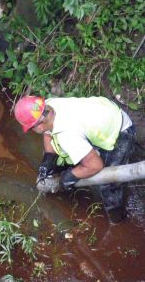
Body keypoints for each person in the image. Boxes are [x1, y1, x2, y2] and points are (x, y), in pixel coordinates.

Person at [14, 95, 136, 223]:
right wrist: (47, 160)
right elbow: (48, 133)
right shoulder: (46, 106)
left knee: (108, 184)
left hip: (120, 131)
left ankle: (117, 219)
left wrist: (65, 179)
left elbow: (95, 165)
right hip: (104, 114)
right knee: (73, 158)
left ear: (37, 127)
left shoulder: (68, 136)